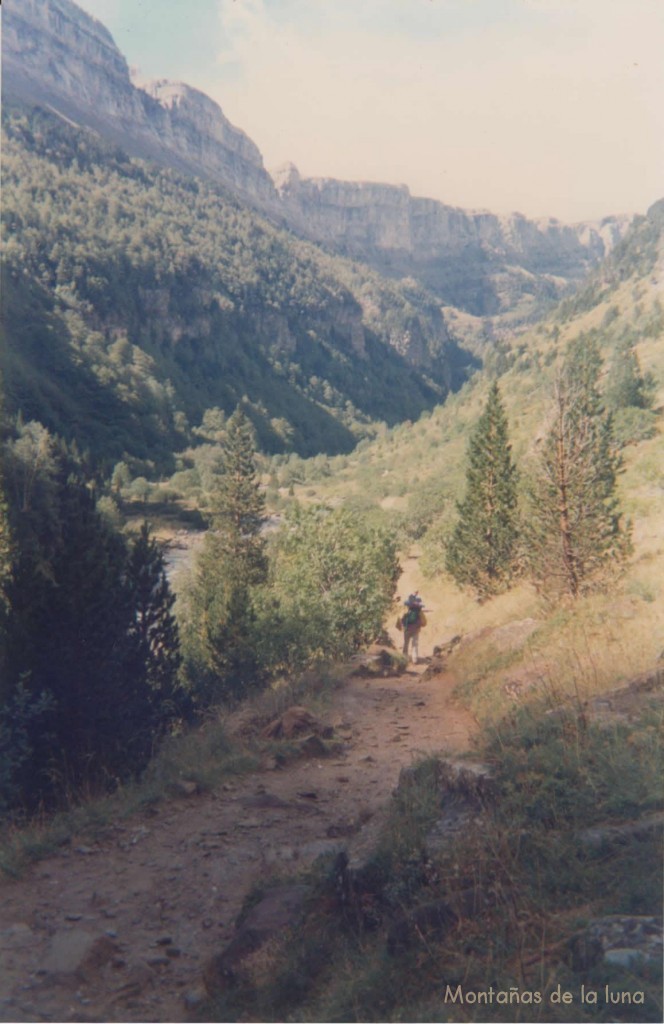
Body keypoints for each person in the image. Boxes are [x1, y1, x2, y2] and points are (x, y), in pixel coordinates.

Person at [400, 592, 426, 664]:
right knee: (415, 644)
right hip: (416, 630)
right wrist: (419, 625)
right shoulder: (419, 612)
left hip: (407, 629)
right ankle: (414, 659)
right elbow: (424, 622)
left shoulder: (406, 610)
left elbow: (401, 619)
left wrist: (403, 626)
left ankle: (404, 658)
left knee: (406, 643)